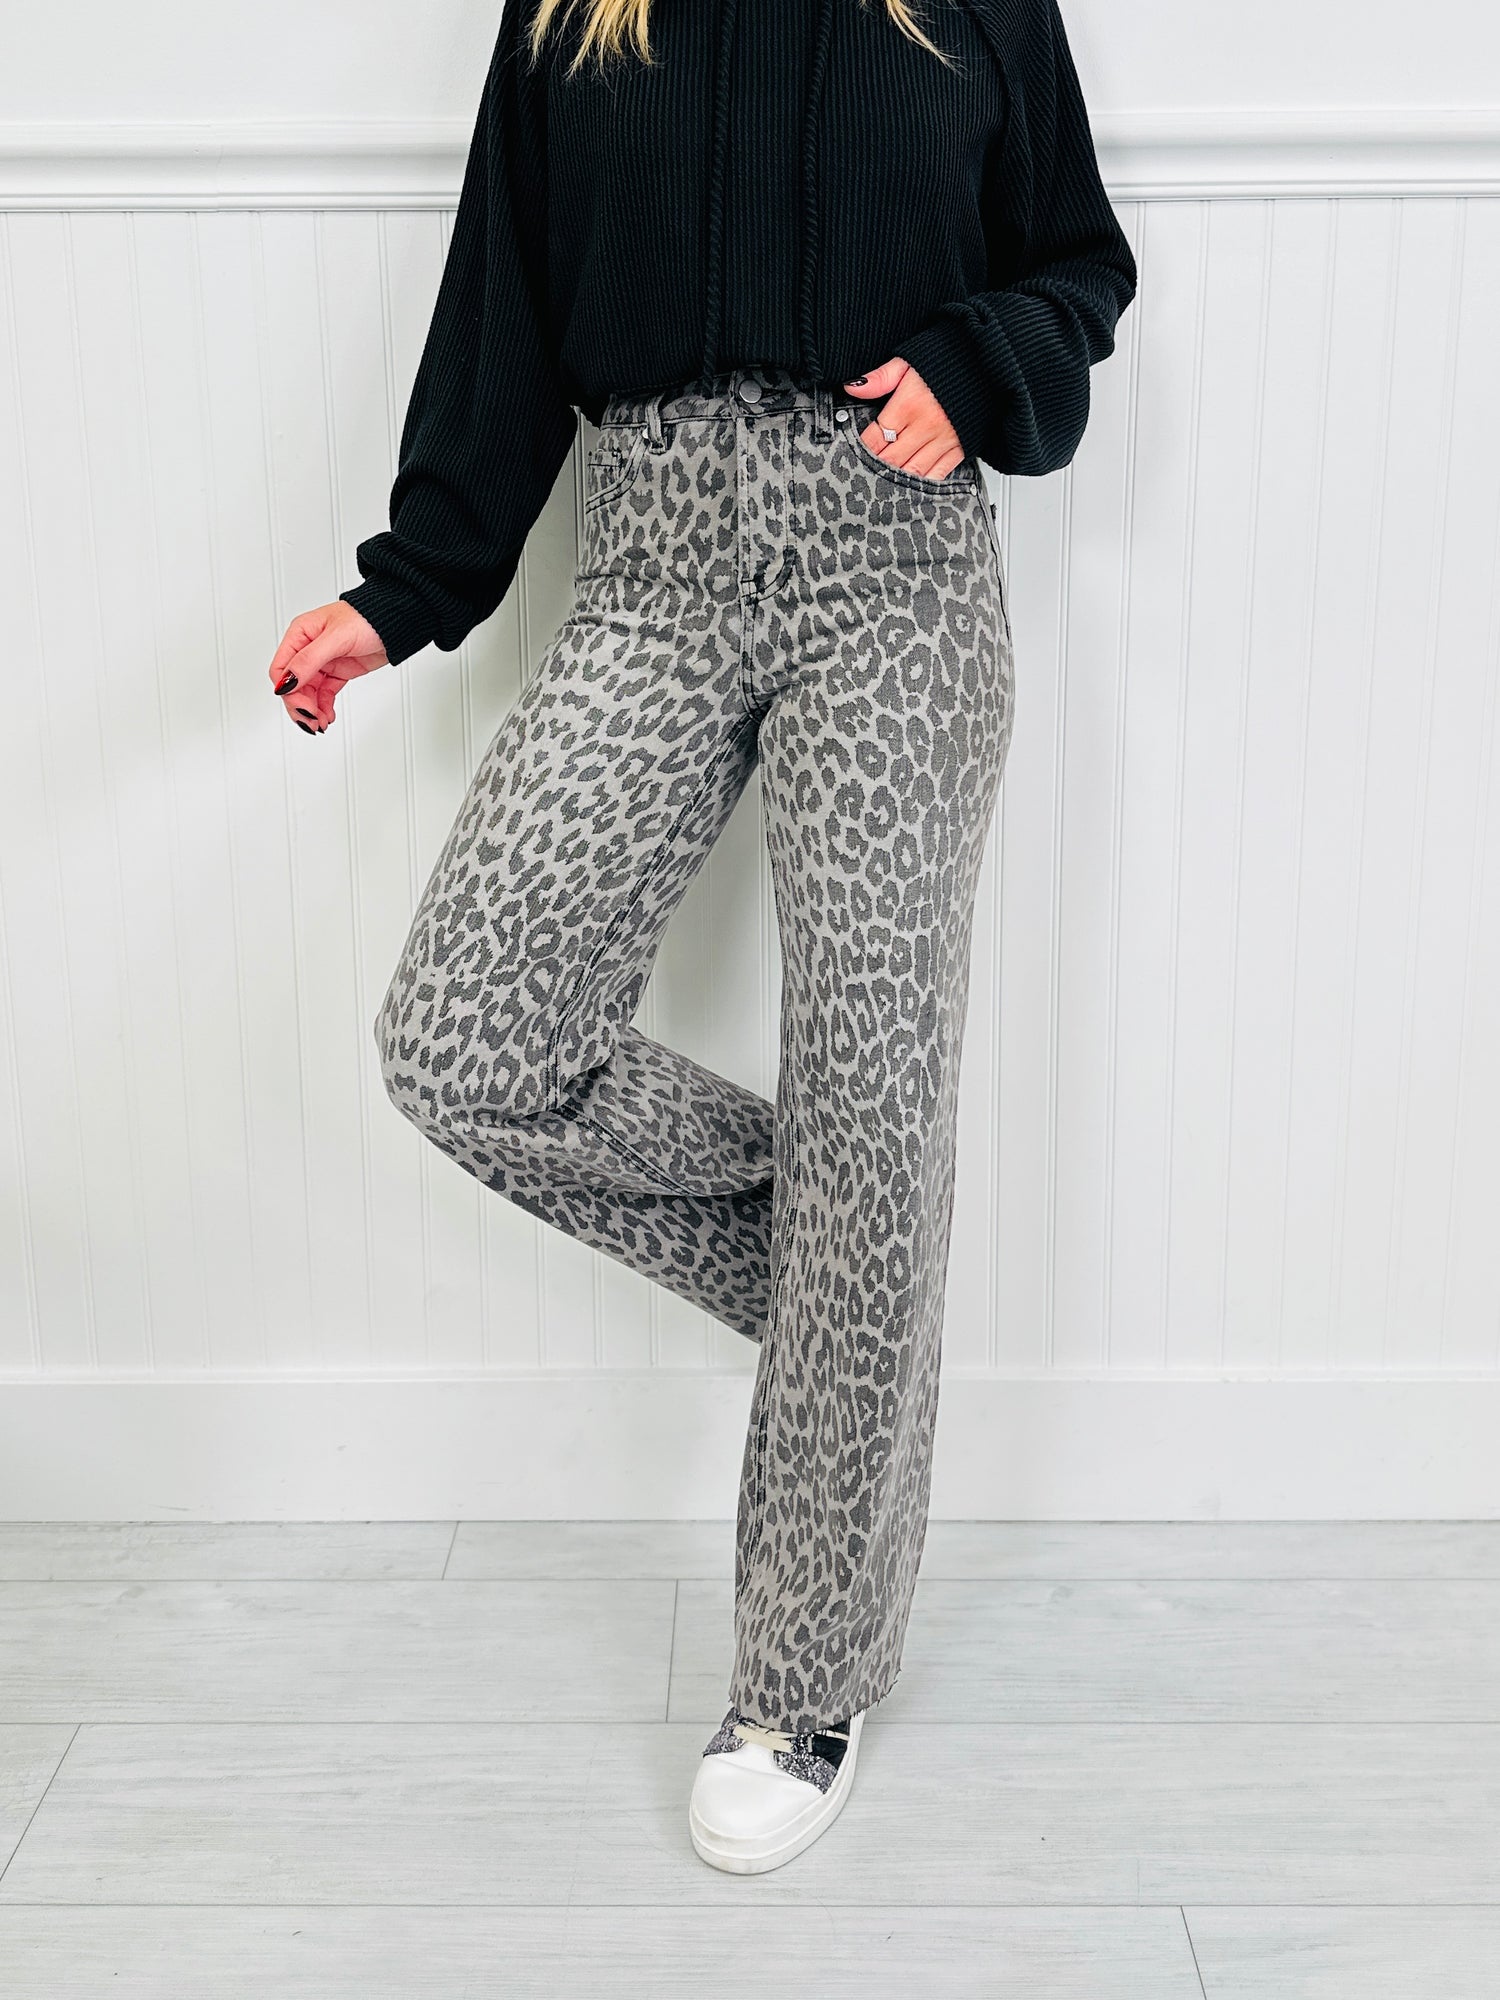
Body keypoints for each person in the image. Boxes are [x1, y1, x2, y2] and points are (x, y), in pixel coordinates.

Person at [266, 0, 1135, 1875]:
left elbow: (1080, 264)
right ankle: (854, 1290)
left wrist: (975, 364)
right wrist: (402, 595)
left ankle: (799, 1682)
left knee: (874, 1105)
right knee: (468, 1042)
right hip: (650, 570)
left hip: (893, 573)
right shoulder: (575, 15)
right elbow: (501, 313)